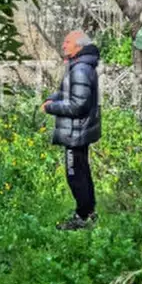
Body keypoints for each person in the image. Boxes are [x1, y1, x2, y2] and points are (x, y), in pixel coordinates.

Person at [43, 30, 101, 231]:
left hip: (75, 132)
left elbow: (78, 105)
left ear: (79, 46)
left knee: (75, 174)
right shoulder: (80, 65)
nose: (63, 45)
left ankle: (82, 218)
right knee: (82, 171)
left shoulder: (80, 69)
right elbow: (67, 92)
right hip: (79, 130)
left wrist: (50, 107)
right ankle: (89, 213)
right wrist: (53, 98)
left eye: (67, 42)